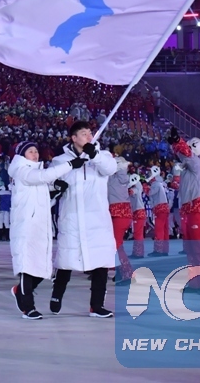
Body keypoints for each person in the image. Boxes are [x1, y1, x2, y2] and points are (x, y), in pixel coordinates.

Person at [50, 121, 118, 318]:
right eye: (83, 133)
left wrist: (94, 155)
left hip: (97, 219)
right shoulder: (60, 160)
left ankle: (97, 306)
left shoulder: (102, 156)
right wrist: (58, 185)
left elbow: (110, 169)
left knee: (101, 262)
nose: (89, 136)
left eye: (90, 133)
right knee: (67, 260)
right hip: (72, 217)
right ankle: (57, 295)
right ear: (74, 138)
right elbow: (52, 182)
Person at [8, 141, 76, 320]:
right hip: (25, 227)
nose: (35, 154)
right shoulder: (21, 170)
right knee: (27, 267)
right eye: (30, 151)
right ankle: (27, 307)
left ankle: (19, 291)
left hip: (40, 227)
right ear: (22, 155)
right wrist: (69, 165)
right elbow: (42, 177)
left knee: (41, 267)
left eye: (36, 151)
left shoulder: (36, 174)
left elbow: (42, 198)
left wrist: (55, 190)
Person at [169, 130, 200, 293]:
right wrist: (175, 144)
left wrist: (178, 142)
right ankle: (196, 283)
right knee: (190, 248)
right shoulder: (191, 166)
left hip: (198, 208)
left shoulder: (198, 164)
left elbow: (188, 156)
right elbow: (185, 157)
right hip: (189, 208)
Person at [146, 166, 170, 257]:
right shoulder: (161, 183)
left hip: (160, 207)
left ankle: (158, 250)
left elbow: (151, 193)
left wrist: (146, 188)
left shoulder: (155, 184)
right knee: (164, 229)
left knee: (159, 229)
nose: (148, 175)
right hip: (164, 207)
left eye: (149, 173)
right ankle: (164, 250)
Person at [128, 175, 147, 259]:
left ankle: (138, 253)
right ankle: (137, 252)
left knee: (138, 233)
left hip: (138, 212)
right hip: (138, 211)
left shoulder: (137, 188)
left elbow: (131, 191)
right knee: (137, 233)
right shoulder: (137, 188)